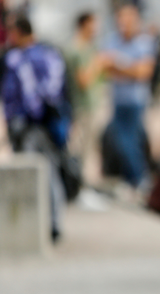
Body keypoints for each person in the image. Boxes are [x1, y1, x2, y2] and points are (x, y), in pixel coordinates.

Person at [1, 16, 67, 242]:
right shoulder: (34, 55)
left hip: (33, 125)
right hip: (33, 124)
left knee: (40, 172)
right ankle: (45, 223)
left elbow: (39, 94)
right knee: (41, 171)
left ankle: (48, 224)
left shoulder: (29, 57)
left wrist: (30, 118)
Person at [103, 3, 155, 199]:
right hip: (118, 99)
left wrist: (119, 65)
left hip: (135, 101)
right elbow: (105, 67)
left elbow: (143, 72)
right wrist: (128, 68)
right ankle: (132, 178)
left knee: (131, 142)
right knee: (121, 141)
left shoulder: (144, 42)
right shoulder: (112, 40)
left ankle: (139, 179)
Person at [65, 12, 111, 208]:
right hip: (82, 108)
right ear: (83, 25)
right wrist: (99, 63)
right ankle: (80, 190)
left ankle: (84, 189)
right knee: (83, 151)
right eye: (93, 24)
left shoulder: (88, 48)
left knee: (90, 150)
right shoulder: (77, 49)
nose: (96, 28)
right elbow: (83, 80)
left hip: (91, 106)